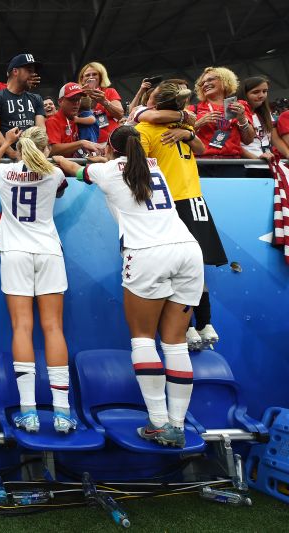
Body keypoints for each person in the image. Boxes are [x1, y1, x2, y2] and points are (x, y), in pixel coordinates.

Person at [53, 125, 203, 448]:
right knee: (175, 343)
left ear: (111, 148)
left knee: (143, 339)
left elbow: (73, 168)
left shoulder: (107, 171)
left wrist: (55, 156)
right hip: (189, 251)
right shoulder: (154, 165)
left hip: (147, 254)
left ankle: (158, 422)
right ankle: (176, 425)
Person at [0, 126, 75, 434]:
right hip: (48, 250)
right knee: (54, 328)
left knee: (22, 327)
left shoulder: (5, 172)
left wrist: (5, 144)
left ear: (19, 148)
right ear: (45, 147)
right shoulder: (54, 174)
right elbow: (61, 183)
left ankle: (29, 412)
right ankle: (62, 413)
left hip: (15, 251)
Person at [135, 81, 227, 351]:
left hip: (171, 204)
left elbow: (138, 166)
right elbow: (200, 148)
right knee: (194, 266)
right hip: (194, 199)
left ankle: (188, 328)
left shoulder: (146, 129)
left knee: (178, 268)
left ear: (155, 102)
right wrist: (186, 131)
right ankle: (204, 324)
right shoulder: (183, 125)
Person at [191, 67, 254, 176]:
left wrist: (242, 119)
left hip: (232, 164)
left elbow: (248, 140)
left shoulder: (239, 105)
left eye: (210, 80)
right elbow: (183, 138)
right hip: (201, 163)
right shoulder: (193, 109)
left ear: (225, 80)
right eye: (202, 83)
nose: (205, 84)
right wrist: (199, 123)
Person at [0, 53, 45, 160]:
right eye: (29, 70)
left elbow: (41, 129)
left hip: (32, 158)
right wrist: (13, 154)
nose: (33, 74)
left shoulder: (37, 99)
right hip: (6, 162)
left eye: (34, 71)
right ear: (15, 71)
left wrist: (40, 150)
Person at [238, 76, 289, 175]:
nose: (261, 95)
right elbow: (234, 145)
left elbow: (274, 138)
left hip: (270, 163)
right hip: (248, 165)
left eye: (265, 91)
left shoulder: (266, 114)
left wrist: (287, 153)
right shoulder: (237, 114)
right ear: (244, 94)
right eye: (256, 92)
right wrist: (257, 159)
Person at [46, 83, 102, 157]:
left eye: (78, 99)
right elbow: (52, 150)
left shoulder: (77, 118)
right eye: (72, 99)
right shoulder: (53, 121)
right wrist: (81, 143)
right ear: (60, 102)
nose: (76, 103)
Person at [77, 62, 125, 144]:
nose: (91, 77)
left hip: (111, 141)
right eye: (87, 75)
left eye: (94, 74)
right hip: (87, 142)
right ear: (82, 79)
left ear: (100, 77)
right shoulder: (77, 95)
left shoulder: (109, 92)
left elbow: (120, 115)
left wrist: (104, 101)